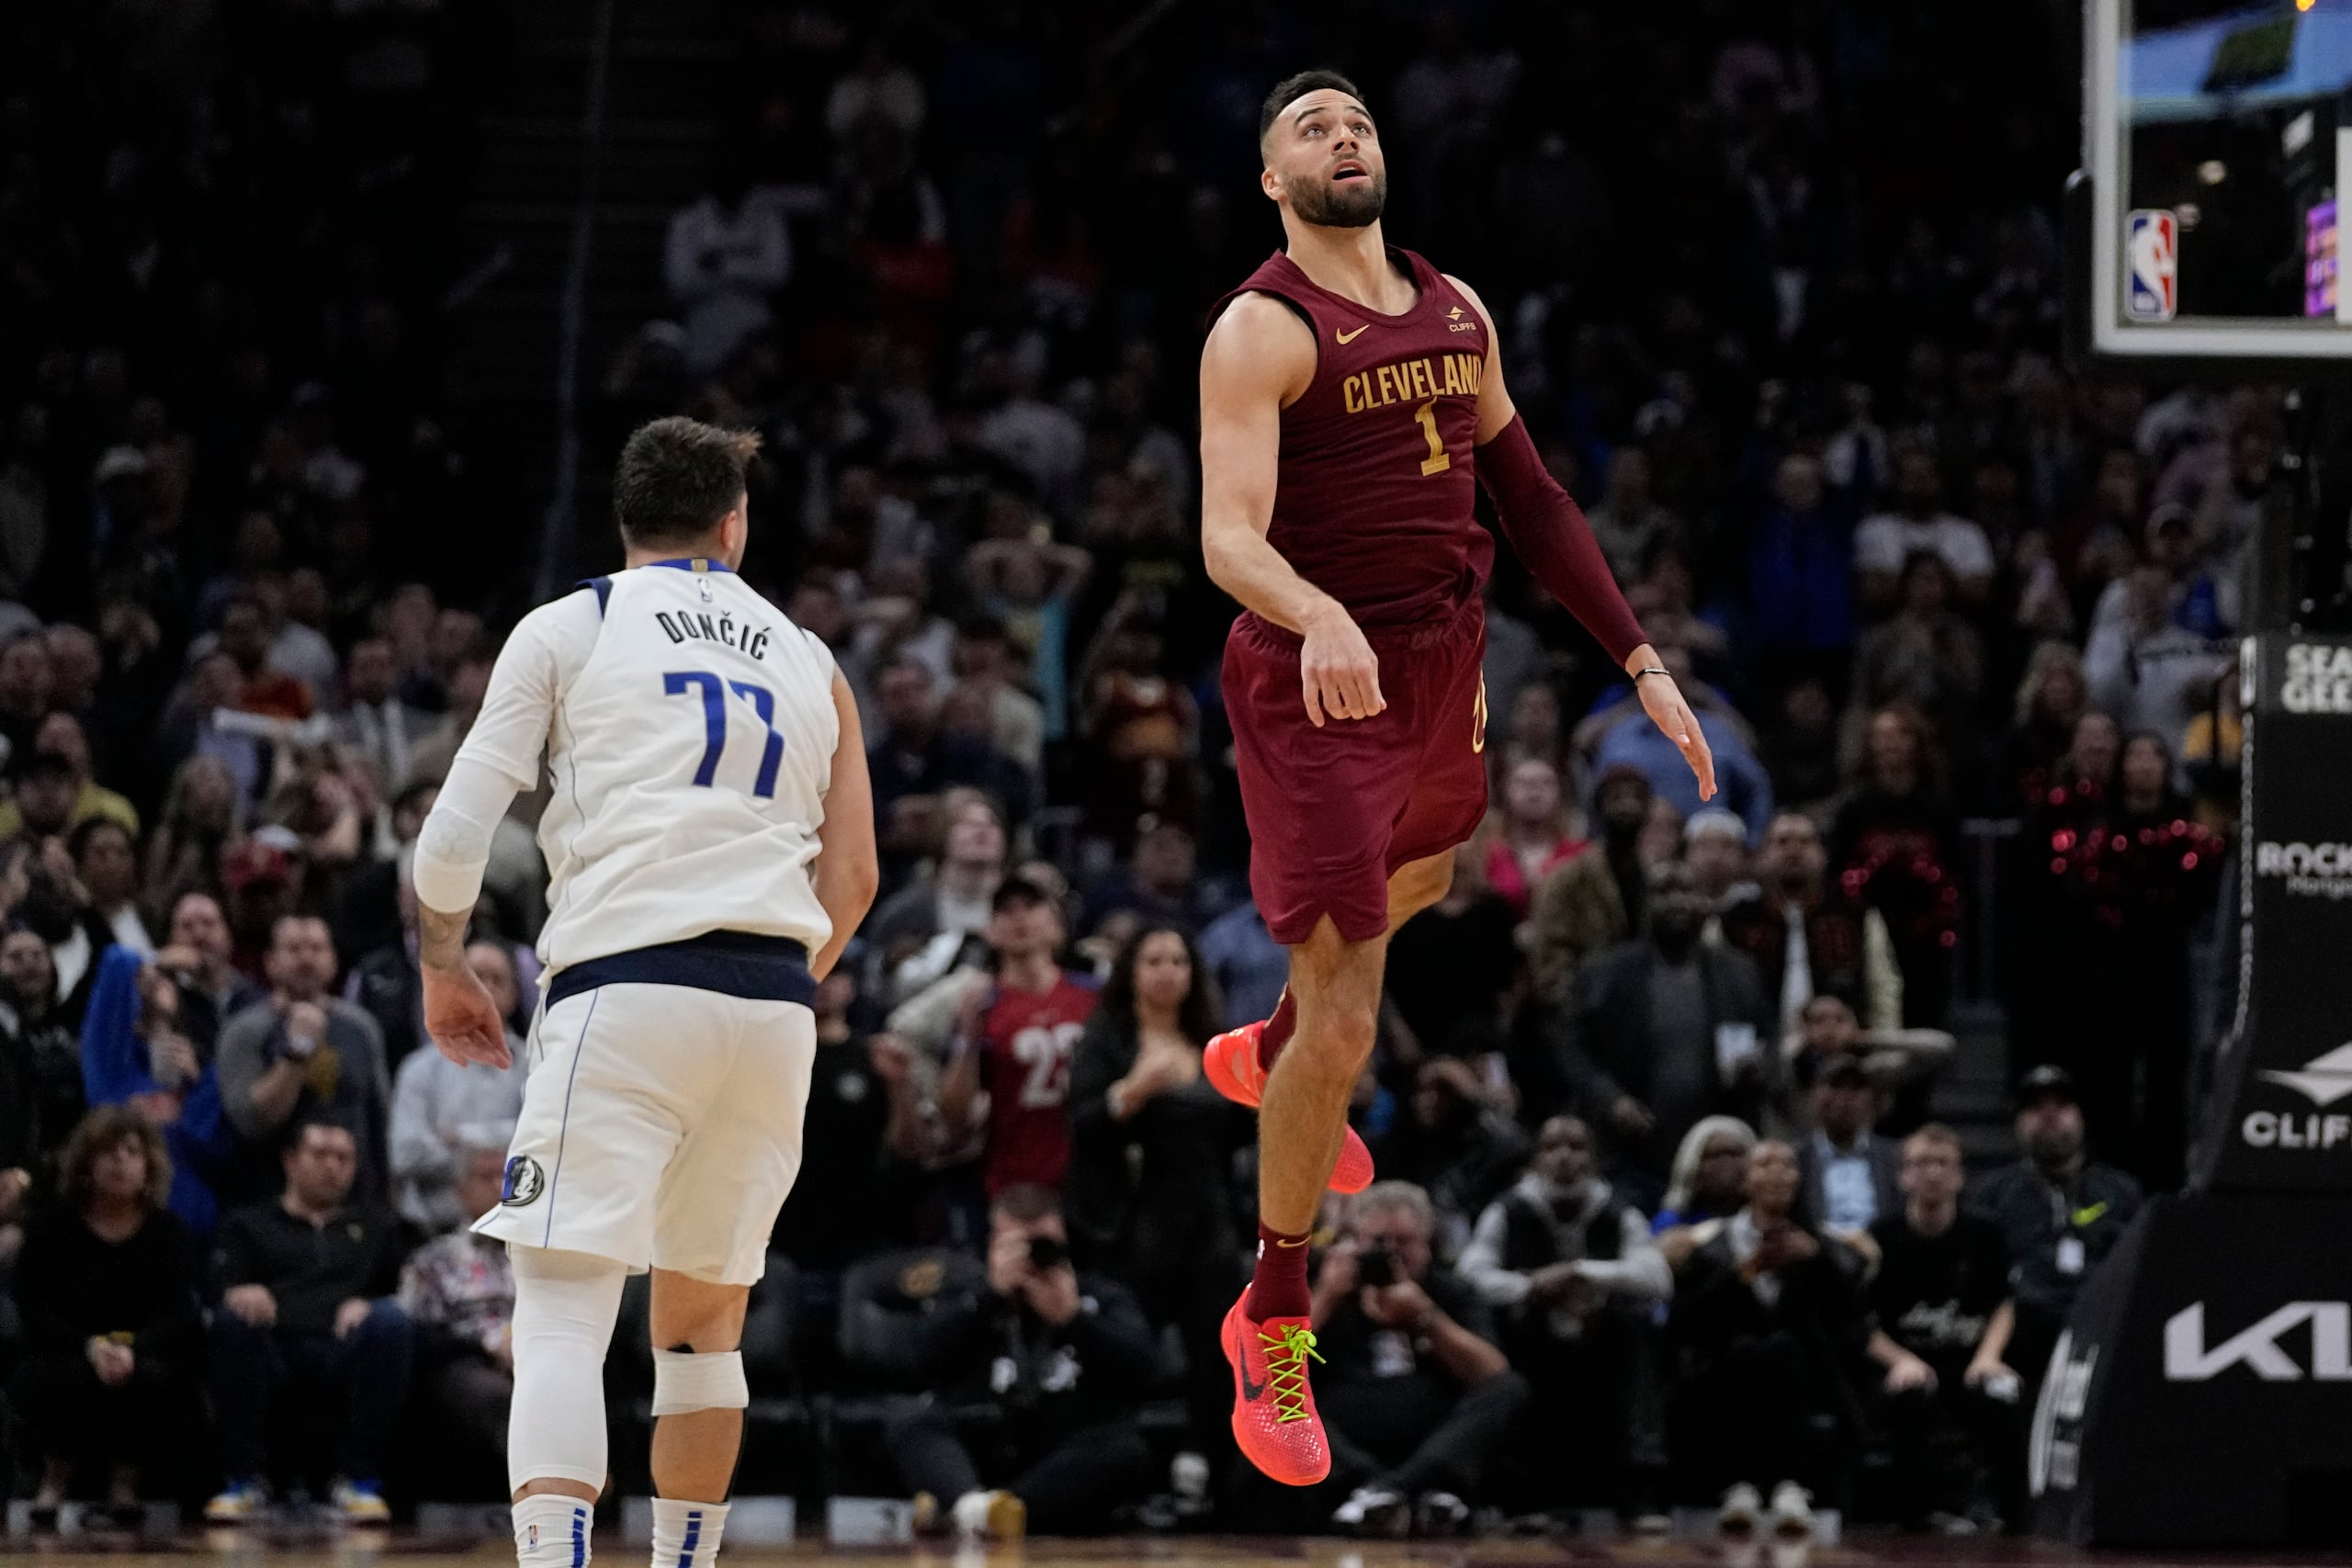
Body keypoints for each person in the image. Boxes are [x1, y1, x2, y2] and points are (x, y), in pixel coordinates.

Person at [1195, 71, 1713, 1485]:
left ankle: (1269, 1045)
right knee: (1354, 1012)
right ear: (1272, 181)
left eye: (1356, 121)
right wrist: (1322, 613)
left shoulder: (1455, 306)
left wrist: (1641, 660)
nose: (1342, 136)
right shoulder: (1259, 327)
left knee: (1426, 878)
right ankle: (1274, 1308)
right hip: (1318, 679)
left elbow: (1533, 498)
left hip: (1441, 659)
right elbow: (1227, 538)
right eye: (1309, 128)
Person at [412, 417, 879, 1568]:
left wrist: (441, 964)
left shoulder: (575, 623)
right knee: (703, 1329)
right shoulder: (811, 656)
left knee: (565, 1308)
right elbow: (856, 877)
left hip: (627, 983)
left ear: (626, 524)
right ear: (735, 524)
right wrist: (763, 989)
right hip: (776, 1001)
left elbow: (453, 835)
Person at [847, 1184, 1159, 1538]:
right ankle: (983, 1511)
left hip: (1060, 1452)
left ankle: (980, 1513)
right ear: (994, 1244)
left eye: (1045, 1246)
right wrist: (990, 1298)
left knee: (1127, 1451)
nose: (1032, 1259)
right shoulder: (970, 1295)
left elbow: (1142, 1369)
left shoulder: (1100, 1297)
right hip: (981, 1451)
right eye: (1018, 1247)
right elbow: (920, 1358)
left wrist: (1074, 1321)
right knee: (909, 1419)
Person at [1065, 923, 1248, 1458]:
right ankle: (1116, 1464)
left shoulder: (1214, 1041)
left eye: (1178, 961)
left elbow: (1240, 1130)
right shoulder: (1107, 1039)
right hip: (1135, 1221)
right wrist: (1136, 1091)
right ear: (1132, 972)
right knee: (1129, 1348)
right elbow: (1083, 1126)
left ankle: (1213, 1476)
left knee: (1216, 1358)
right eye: (1154, 961)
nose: (1167, 972)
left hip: (1209, 1217)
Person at [1457, 1116, 1672, 1520]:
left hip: (1600, 1338)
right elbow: (1470, 1276)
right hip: (1531, 1337)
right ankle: (1521, 1494)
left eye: (1576, 1147)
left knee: (1638, 1331)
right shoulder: (1509, 1210)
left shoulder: (1616, 1211)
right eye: (1553, 1147)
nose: (1564, 1158)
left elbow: (1658, 1278)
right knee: (1499, 1334)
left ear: (1594, 1159)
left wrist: (1582, 1273)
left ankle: (1642, 1490)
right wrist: (1533, 1287)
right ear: (1537, 1159)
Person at [204, 1117, 414, 1524]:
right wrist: (242, 1291)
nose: (333, 1166)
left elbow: (406, 1293)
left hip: (344, 1350)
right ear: (290, 1160)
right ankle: (244, 1480)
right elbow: (218, 1287)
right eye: (320, 1155)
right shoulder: (248, 1224)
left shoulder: (376, 1226)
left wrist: (371, 1302)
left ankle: (358, 1481)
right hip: (272, 1348)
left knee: (391, 1321)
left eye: (343, 1158)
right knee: (231, 1321)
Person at [1296, 1182, 1529, 1535]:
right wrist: (1327, 1298)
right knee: (1271, 1400)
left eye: (1403, 1242)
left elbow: (1494, 1374)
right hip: (1344, 1435)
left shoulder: (1450, 1291)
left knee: (1511, 1389)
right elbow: (1272, 1371)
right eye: (1377, 1242)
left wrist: (1426, 1318)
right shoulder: (1323, 1283)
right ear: (1355, 1241)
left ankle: (1386, 1492)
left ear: (1427, 1244)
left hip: (1431, 1434)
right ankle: (1391, 1491)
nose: (1390, 1253)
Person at [1668, 1140, 1867, 1536]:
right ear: (1746, 1182)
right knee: (1748, 1351)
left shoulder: (1825, 1248)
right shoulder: (1711, 1245)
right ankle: (1740, 1485)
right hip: (1724, 1373)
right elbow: (1686, 1322)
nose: (1776, 1172)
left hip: (1806, 1376)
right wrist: (1748, 1271)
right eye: (1764, 1164)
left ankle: (1790, 1486)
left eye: (1787, 1164)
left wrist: (1815, 1262)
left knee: (1785, 1349)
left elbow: (1852, 1321)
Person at [11, 1107, 200, 1521]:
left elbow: (177, 1311)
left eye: (132, 1152)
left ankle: (125, 1485)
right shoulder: (50, 1229)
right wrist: (90, 1346)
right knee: (56, 1375)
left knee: (151, 1376)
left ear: (148, 1168)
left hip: (142, 1348)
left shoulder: (169, 1232)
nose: (120, 1162)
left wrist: (130, 1348)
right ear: (85, 1164)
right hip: (66, 1344)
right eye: (108, 1152)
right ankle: (52, 1483)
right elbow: (33, 1307)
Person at [1563, 862, 1774, 1203]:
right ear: (1645, 903)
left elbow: (1768, 1039)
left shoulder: (1738, 972)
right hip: (1629, 1153)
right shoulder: (1605, 972)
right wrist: (1611, 1099)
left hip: (1715, 1156)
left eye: (1686, 891)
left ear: (1706, 903)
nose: (1677, 902)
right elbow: (1573, 1048)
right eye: (1664, 892)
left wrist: (1757, 1068)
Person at [1866, 1125, 2018, 1533]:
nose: (1931, 1173)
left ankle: (2000, 1507)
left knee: (2004, 1393)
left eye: (1942, 1163)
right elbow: (1861, 1323)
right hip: (1907, 1364)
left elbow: (2003, 1304)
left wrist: (1988, 1357)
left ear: (1959, 1175)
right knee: (1908, 1396)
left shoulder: (1984, 1233)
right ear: (1902, 1176)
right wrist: (1900, 1360)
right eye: (1920, 1164)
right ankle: (1918, 1512)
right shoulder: (1881, 1236)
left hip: (1967, 1362)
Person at [1965, 1067, 2143, 1401]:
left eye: (2061, 1106)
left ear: (2080, 1118)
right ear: (2018, 1123)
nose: (2049, 1115)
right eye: (2035, 1108)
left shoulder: (2121, 1191)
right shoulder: (1991, 1195)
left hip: (2097, 1325)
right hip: (2019, 1334)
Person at [936, 874, 1100, 1197]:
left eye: (1031, 906)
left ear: (1056, 925)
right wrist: (968, 1039)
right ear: (991, 932)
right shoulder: (981, 1007)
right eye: (1006, 910)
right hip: (1015, 1182)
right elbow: (955, 1116)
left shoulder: (1094, 997)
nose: (1019, 917)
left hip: (1091, 1176)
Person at [215, 914, 391, 1203]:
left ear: (333, 961)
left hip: (355, 1199)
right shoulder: (245, 1030)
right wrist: (297, 1048)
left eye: (316, 949)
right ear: (270, 962)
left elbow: (378, 1119)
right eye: (294, 950)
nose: (306, 958)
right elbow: (250, 1123)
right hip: (270, 1200)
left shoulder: (361, 1026)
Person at [399, 1143, 521, 1493]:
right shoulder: (435, 1259)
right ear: (461, 1191)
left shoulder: (538, 1257)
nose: (499, 1187)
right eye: (486, 1177)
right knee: (490, 1393)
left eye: (506, 1177)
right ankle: (540, 1486)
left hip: (534, 1355)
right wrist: (488, 1347)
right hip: (466, 1363)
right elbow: (418, 1336)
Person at [388, 941, 528, 1233]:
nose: (486, 988)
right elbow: (405, 1154)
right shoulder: (419, 1070)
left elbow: (544, 1146)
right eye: (476, 977)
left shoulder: (536, 1068)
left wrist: (460, 1140)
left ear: (514, 995)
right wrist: (501, 1147)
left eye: (497, 980)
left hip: (516, 1233)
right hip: (432, 1232)